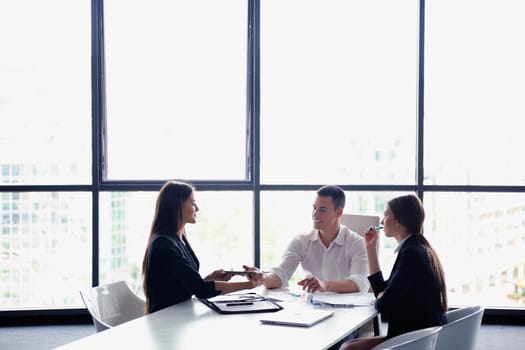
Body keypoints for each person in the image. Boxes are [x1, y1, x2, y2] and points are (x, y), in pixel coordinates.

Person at [339, 194, 448, 350]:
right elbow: (382, 292)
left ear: (398, 221)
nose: (382, 221)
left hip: (417, 339)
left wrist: (383, 296)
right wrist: (371, 248)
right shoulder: (414, 247)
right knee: (348, 345)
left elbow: (384, 305)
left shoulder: (412, 254)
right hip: (418, 334)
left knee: (347, 349)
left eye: (386, 215)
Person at [142, 180, 263, 314]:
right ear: (177, 206)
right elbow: (201, 290)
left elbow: (183, 285)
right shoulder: (163, 245)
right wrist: (249, 285)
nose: (197, 208)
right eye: (192, 203)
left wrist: (210, 279)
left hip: (179, 314)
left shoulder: (178, 239)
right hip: (164, 319)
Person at [262, 184, 370, 294]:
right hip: (313, 307)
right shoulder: (301, 240)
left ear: (339, 212)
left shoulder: (357, 243)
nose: (315, 215)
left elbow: (359, 282)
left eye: (322, 210)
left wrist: (325, 285)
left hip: (349, 308)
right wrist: (261, 278)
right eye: (314, 208)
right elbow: (281, 273)